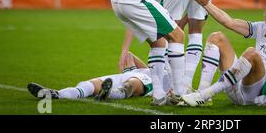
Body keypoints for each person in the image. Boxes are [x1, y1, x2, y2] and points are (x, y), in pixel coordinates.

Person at [181, 1, 266, 107]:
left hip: (260, 95)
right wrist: (205, 3)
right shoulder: (263, 28)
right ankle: (203, 93)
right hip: (239, 83)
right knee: (217, 37)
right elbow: (228, 22)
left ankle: (203, 95)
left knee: (252, 53)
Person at [119, 0, 213, 92]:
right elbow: (188, 15)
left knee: (169, 39)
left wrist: (124, 50)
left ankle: (175, 89)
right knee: (196, 34)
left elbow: (134, 19)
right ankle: (186, 86)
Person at [27, 52, 169, 101]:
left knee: (131, 84)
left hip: (146, 82)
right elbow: (130, 55)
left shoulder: (163, 77)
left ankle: (110, 93)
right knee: (87, 84)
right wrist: (126, 53)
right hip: (121, 76)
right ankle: (57, 94)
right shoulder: (144, 69)